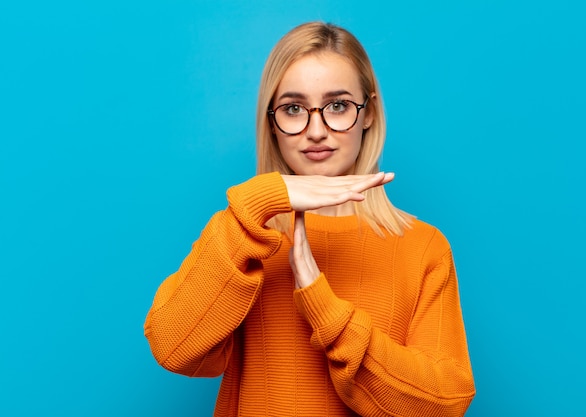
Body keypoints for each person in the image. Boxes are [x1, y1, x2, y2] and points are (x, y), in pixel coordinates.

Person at [144, 21, 475, 416]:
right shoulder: (243, 235)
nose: (315, 131)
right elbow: (172, 348)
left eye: (337, 106)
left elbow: (444, 405)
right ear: (271, 122)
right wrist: (257, 203)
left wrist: (326, 310)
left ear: (368, 113)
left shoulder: (423, 248)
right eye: (293, 109)